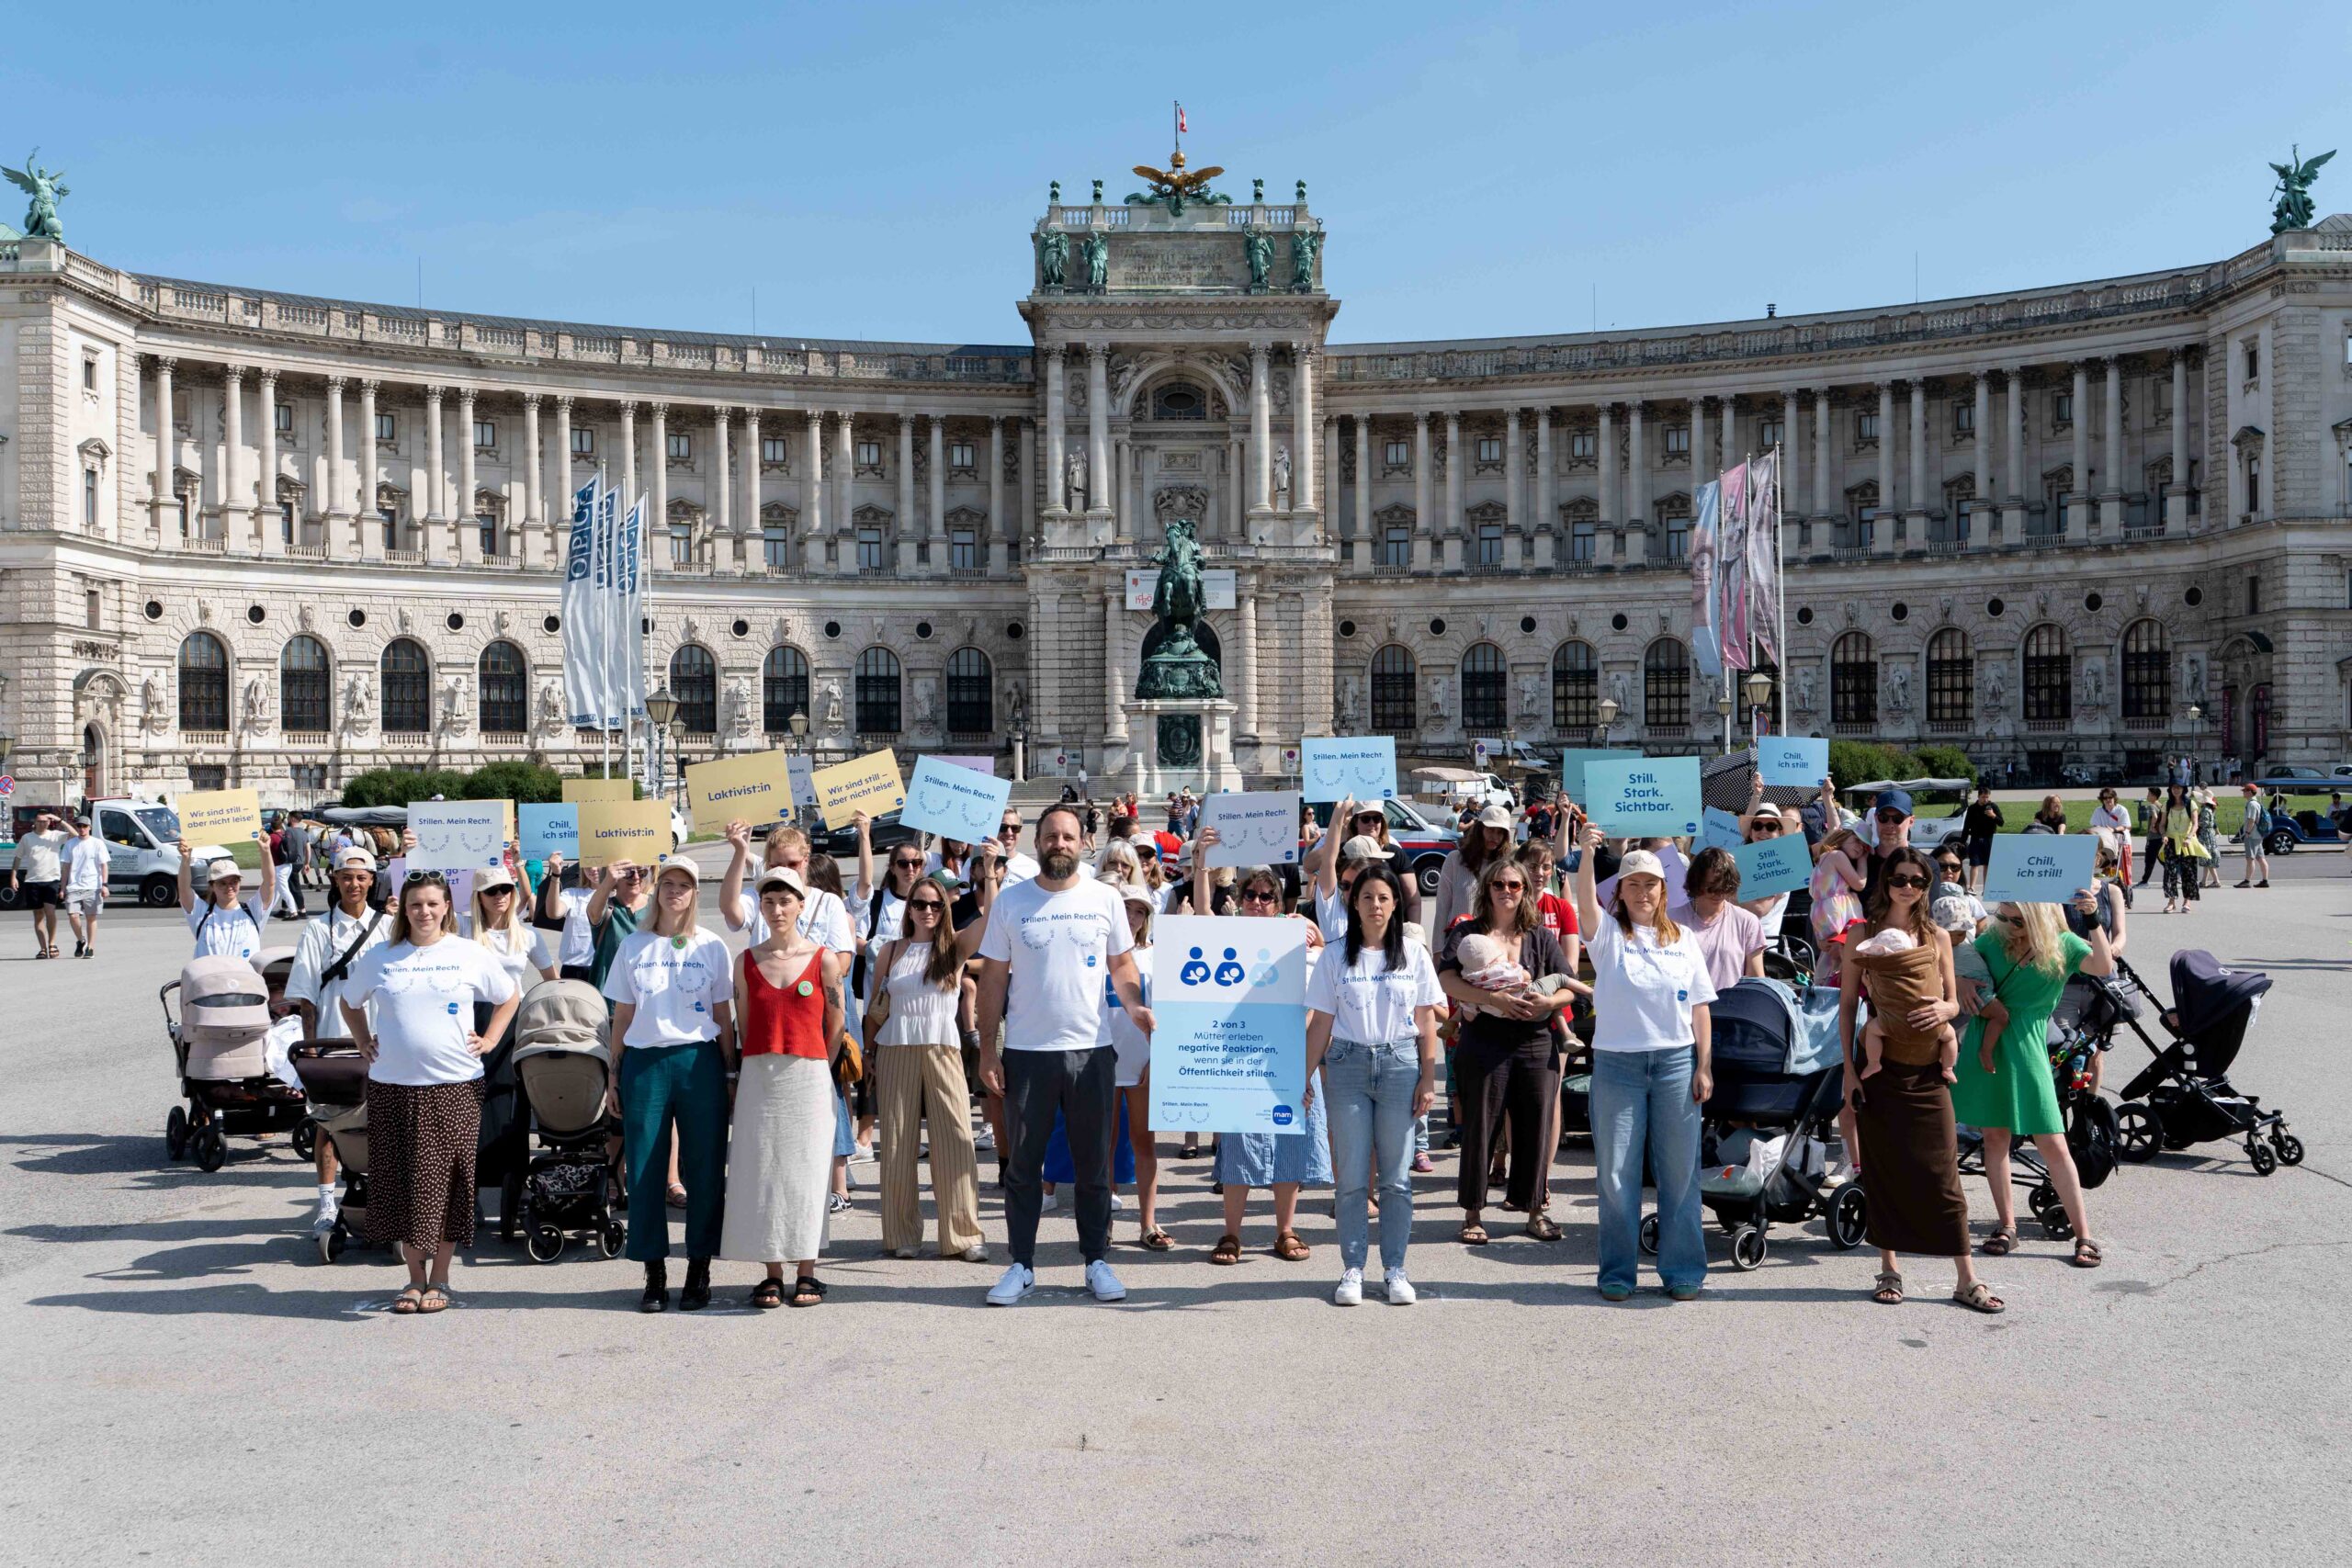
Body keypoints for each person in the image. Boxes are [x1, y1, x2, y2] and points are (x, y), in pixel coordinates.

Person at [974, 803, 1153, 1306]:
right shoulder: (1011, 902)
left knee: (1094, 1165)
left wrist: (1135, 1005)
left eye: (1068, 837)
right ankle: (1021, 1265)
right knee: (1023, 1168)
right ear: (1038, 842)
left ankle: (1096, 1261)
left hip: (1092, 1051)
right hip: (1028, 1053)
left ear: (1082, 844)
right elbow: (992, 979)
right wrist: (990, 1048)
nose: (1059, 844)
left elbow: (1122, 964)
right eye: (1050, 836)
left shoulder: (1105, 899)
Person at [337, 869, 520, 1314]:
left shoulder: (466, 953)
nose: (425, 912)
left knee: (447, 1185)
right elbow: (349, 1000)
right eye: (417, 904)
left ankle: (440, 1277)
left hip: (455, 1085)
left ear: (446, 909)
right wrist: (362, 1040)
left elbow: (509, 995)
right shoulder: (382, 955)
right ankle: (413, 1279)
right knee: (402, 1183)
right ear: (406, 907)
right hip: (393, 1087)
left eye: (433, 904)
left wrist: (492, 1038)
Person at [1835, 847, 2000, 1313]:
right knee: (1884, 1170)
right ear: (1885, 880)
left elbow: (1952, 998)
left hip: (1930, 1070)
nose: (1908, 887)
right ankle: (1889, 1267)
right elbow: (1848, 1006)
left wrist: (1948, 1010)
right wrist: (1850, 1070)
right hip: (1881, 1069)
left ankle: (1966, 1279)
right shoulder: (1862, 936)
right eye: (1900, 878)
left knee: (1943, 1174)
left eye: (1918, 881)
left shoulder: (1937, 937)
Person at [1572, 827, 1715, 1301]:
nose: (1641, 892)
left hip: (1676, 1064)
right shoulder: (1608, 935)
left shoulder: (1685, 939)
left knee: (1679, 1174)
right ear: (1620, 891)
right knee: (1616, 1176)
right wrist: (1588, 853)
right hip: (1618, 1067)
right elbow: (1585, 907)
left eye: (1650, 884)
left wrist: (1703, 1065)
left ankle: (1683, 1270)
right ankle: (1617, 1273)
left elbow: (1699, 1006)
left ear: (1663, 889)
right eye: (1631, 884)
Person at [1305, 862, 1444, 1305]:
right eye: (1367, 898)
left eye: (1384, 897)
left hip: (1401, 1066)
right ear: (1354, 903)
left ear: (1395, 904)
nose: (1376, 905)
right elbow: (1321, 1024)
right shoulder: (1333, 955)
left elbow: (1427, 1020)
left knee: (1397, 1178)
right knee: (1350, 1177)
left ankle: (1396, 1269)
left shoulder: (1413, 953)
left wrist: (1427, 1076)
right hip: (1346, 1067)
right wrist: (1303, 1074)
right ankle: (1352, 1269)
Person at [603, 855, 736, 1313]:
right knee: (644, 1171)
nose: (675, 891)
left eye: (684, 885)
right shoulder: (633, 946)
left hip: (699, 1062)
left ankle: (699, 1266)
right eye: (668, 884)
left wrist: (730, 1071)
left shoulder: (712, 946)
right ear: (657, 890)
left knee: (704, 1168)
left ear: (695, 893)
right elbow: (622, 1015)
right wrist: (614, 1073)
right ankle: (654, 1270)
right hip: (645, 1063)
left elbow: (723, 1015)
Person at [1950, 897, 2113, 1269]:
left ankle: (2084, 1233)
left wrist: (2092, 917)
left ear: (2039, 918)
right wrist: (1958, 978)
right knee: (1995, 1137)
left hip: (2028, 1043)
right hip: (1985, 1042)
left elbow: (2103, 965)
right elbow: (1953, 957)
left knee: (2053, 1141)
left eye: (2017, 920)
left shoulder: (2064, 943)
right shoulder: (1994, 939)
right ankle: (2006, 1225)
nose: (2007, 924)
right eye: (2003, 917)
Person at [1197, 852, 1334, 1265]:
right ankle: (1231, 1234)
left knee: (1290, 1143)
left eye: (1267, 897)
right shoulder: (1229, 933)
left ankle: (1285, 1230)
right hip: (1240, 1058)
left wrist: (1304, 1068)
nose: (1258, 903)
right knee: (1237, 1146)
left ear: (1279, 902)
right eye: (1251, 895)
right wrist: (1202, 863)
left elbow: (1320, 989)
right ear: (1240, 899)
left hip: (1290, 1058)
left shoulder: (1297, 934)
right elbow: (1201, 916)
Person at [722, 866, 845, 1308]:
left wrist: (817, 1065)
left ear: (800, 904)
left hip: (809, 1076)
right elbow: (745, 1023)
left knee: (808, 1173)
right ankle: (772, 1272)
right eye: (769, 901)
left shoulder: (823, 959)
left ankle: (807, 1272)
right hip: (761, 1075)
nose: (777, 909)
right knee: (765, 1171)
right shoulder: (746, 961)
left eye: (785, 900)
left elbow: (836, 1023)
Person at [1440, 856, 1577, 1246]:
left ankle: (1534, 1209)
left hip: (1536, 1040)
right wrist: (1493, 999)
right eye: (1498, 884)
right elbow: (1447, 979)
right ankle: (1472, 1211)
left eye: (1514, 885)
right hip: (1484, 1038)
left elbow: (1566, 981)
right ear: (1486, 890)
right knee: (1480, 1127)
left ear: (1525, 891)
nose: (1506, 891)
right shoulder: (1468, 932)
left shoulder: (1538, 936)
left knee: (1536, 1125)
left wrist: (1550, 1005)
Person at [862, 869, 990, 1262]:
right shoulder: (890, 950)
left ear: (945, 907)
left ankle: (963, 1236)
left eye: (936, 903)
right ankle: (902, 1234)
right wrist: (868, 1055)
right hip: (895, 1048)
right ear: (909, 908)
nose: (928, 910)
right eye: (920, 904)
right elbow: (875, 1010)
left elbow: (991, 920)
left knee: (956, 1140)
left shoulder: (954, 948)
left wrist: (988, 868)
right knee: (898, 1144)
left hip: (943, 1048)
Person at [287, 844, 389, 1240]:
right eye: (347, 876)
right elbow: (307, 995)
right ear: (335, 879)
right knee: (327, 1125)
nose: (354, 884)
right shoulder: (317, 928)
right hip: (334, 1043)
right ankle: (327, 1203)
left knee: (382, 1122)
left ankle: (383, 1197)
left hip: (380, 1042)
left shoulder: (386, 926)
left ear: (371, 881)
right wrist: (310, 1049)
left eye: (362, 877)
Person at [1102, 882, 1170, 1251]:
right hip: (1101, 1062)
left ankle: (1148, 1223)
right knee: (1104, 1147)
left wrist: (1157, 1059)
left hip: (1141, 1063)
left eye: (1139, 911)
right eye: (1126, 909)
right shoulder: (1096, 954)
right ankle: (1104, 1225)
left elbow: (1169, 1013)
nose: (1131, 917)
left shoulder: (1155, 956)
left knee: (1144, 1144)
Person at [1670, 846, 1768, 993]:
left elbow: (1757, 980)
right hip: (1684, 1008)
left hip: (1730, 1010)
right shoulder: (1671, 919)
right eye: (1711, 888)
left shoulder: (1747, 922)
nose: (1718, 894)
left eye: (1725, 887)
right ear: (1697, 883)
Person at [175, 834, 277, 960]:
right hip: (210, 978)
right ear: (212, 886)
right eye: (222, 883)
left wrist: (266, 851)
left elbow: (270, 882)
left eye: (234, 881)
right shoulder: (201, 914)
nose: (229, 887)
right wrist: (186, 860)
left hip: (246, 978)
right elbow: (184, 889)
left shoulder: (253, 911)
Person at [1431, 803, 1513, 942]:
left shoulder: (1508, 865)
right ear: (1479, 829)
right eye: (1491, 830)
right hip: (1457, 942)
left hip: (1495, 944)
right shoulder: (1455, 860)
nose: (1495, 836)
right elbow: (1442, 908)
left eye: (1500, 832)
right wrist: (1438, 949)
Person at [1808, 825, 1869, 983]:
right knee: (1840, 955)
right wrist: (1863, 860)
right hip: (1836, 912)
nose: (1860, 847)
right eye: (1856, 840)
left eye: (1864, 846)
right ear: (1842, 837)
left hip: (1823, 911)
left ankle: (1824, 984)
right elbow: (1859, 883)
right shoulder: (1837, 855)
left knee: (1829, 954)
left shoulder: (1824, 858)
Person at [532, 852, 601, 982]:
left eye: (598, 863)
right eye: (588, 864)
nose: (592, 869)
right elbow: (554, 913)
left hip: (605, 968)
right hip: (574, 969)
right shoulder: (572, 894)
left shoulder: (618, 896)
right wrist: (556, 875)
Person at [9, 811, 69, 959]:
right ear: (35, 822)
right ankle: (42, 948)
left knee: (50, 912)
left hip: (51, 880)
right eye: (40, 821)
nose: (43, 823)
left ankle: (52, 943)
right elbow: (17, 858)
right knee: (38, 915)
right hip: (32, 881)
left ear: (49, 822)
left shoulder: (55, 835)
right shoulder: (27, 838)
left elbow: (74, 834)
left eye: (45, 821)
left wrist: (59, 820)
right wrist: (13, 877)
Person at [59, 815, 107, 960]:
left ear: (90, 828)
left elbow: (104, 865)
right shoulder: (70, 844)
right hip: (74, 886)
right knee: (73, 916)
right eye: (79, 826)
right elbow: (66, 867)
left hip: (93, 885)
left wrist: (104, 885)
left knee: (91, 917)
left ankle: (90, 947)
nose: (82, 829)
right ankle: (81, 940)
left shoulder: (97, 843)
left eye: (85, 826)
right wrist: (62, 888)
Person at [2154, 784, 2206, 913]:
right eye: (2174, 788)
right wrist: (2163, 835)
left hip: (2187, 842)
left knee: (2188, 872)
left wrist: (2189, 837)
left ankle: (2186, 901)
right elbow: (2161, 825)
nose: (2176, 790)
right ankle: (2171, 902)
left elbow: (2195, 824)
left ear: (2183, 790)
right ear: (2171, 790)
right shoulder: (2167, 804)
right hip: (2171, 841)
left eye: (2179, 788)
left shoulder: (2190, 804)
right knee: (2170, 871)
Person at [1961, 784, 2005, 896]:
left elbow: (2001, 823)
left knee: (1987, 864)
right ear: (1978, 796)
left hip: (1989, 838)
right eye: (1983, 797)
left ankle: (1987, 888)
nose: (1985, 799)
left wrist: (1993, 815)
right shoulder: (1972, 809)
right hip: (1976, 838)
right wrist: (1962, 841)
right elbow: (1966, 826)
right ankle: (1972, 887)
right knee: (1974, 863)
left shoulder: (1993, 806)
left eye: (1987, 797)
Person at [2089, 789, 2133, 898]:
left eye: (2110, 798)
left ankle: (2127, 886)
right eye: (2105, 798)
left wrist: (2113, 830)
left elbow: (2126, 826)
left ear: (2114, 798)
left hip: (2121, 841)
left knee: (2124, 867)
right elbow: (2095, 826)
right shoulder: (2098, 811)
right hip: (2106, 843)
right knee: (2106, 866)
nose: (2108, 800)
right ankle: (2105, 886)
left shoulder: (2121, 810)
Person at [2234, 784, 2271, 889]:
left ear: (2250, 792)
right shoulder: (2256, 803)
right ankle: (2265, 880)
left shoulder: (2251, 804)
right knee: (2261, 858)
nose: (2243, 792)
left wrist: (2247, 832)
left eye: (2245, 791)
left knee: (2250, 858)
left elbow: (2251, 819)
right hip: (2258, 834)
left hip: (2252, 835)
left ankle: (2247, 881)